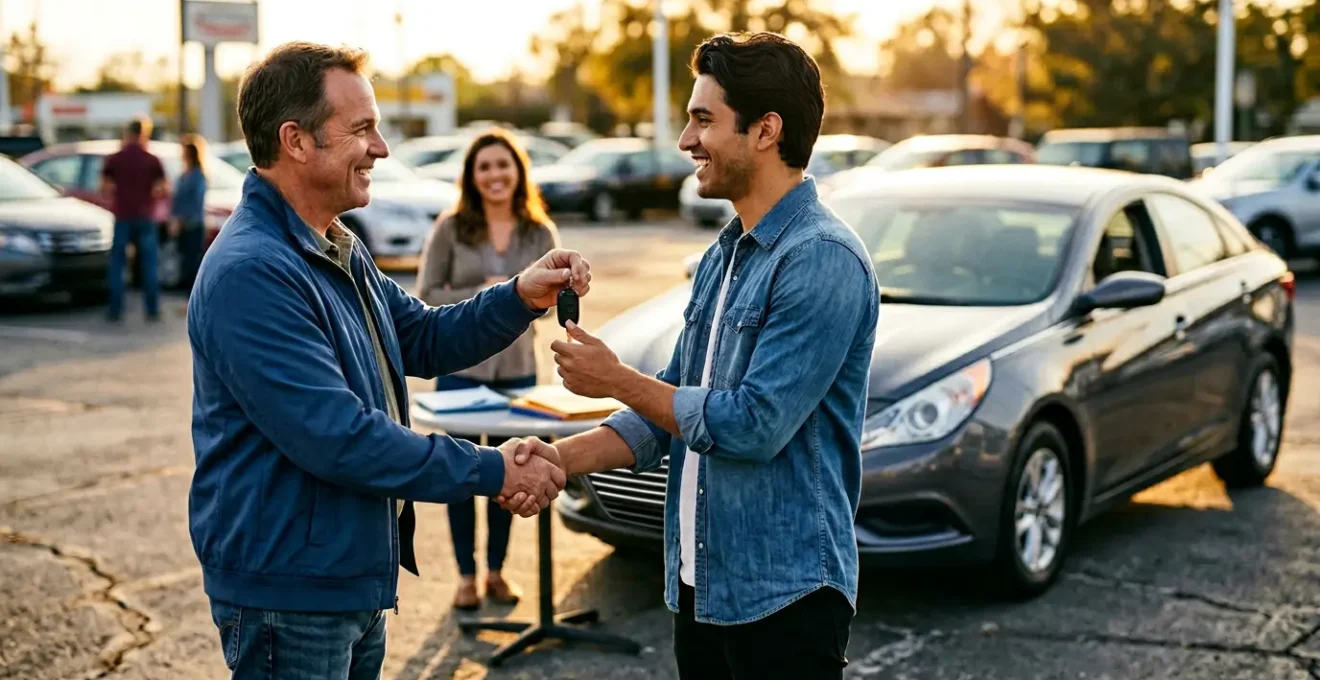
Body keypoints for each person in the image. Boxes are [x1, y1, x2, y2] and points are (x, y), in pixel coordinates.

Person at [187, 41, 587, 680]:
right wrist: (491, 470)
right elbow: (339, 439)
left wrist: (519, 296)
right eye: (362, 129)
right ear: (296, 141)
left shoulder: (334, 244)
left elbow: (424, 338)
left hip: (346, 576)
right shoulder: (254, 272)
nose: (381, 149)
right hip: (290, 593)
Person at [501, 32, 881, 679]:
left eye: (703, 119)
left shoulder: (821, 258)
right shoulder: (722, 257)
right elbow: (667, 411)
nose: (684, 140)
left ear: (766, 130)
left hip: (785, 596)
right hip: (701, 584)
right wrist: (552, 460)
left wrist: (618, 379)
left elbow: (752, 425)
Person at [415, 129, 560, 611]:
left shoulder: (538, 232)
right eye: (485, 167)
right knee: (460, 477)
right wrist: (493, 295)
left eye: (503, 165)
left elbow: (556, 300)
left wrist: (531, 297)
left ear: (518, 171)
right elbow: (427, 298)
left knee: (509, 473)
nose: (495, 175)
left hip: (518, 372)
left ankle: (497, 570)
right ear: (471, 177)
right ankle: (465, 575)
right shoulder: (451, 228)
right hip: (460, 372)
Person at [100, 116, 166, 321]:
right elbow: (163, 189)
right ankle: (152, 309)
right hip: (145, 216)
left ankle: (115, 309)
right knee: (149, 264)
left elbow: (104, 188)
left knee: (118, 263)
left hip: (123, 215)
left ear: (127, 133)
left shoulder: (115, 159)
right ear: (144, 132)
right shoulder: (152, 160)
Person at [169, 134, 208, 292]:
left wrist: (181, 219)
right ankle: (187, 297)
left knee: (193, 263)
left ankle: (191, 297)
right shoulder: (184, 175)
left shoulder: (197, 176)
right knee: (184, 262)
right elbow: (176, 200)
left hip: (193, 225)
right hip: (182, 225)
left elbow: (195, 202)